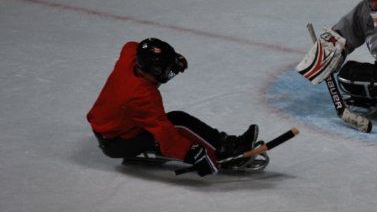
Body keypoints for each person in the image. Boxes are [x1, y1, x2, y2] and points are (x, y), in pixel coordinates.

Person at [87, 38, 258, 176]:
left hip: (111, 126)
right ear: (153, 71)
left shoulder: (130, 58)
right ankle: (228, 150)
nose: (170, 73)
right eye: (166, 69)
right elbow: (166, 134)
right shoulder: (143, 97)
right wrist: (190, 154)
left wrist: (173, 58)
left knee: (173, 121)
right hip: (116, 142)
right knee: (178, 121)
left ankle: (224, 143)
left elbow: (131, 45)